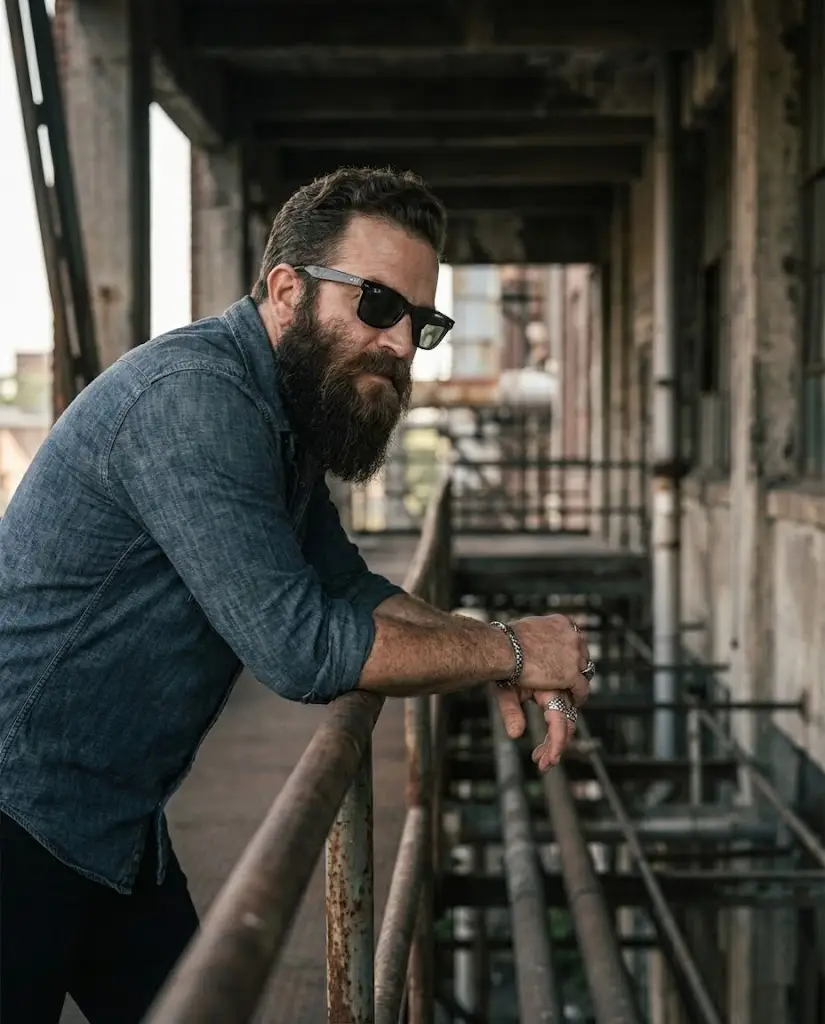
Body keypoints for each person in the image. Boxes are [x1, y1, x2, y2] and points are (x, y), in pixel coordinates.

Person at [0, 166, 592, 1023]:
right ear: (287, 290)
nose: (398, 342)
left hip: (112, 823)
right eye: (378, 305)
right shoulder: (194, 401)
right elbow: (301, 647)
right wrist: (507, 650)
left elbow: (344, 584)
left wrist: (495, 644)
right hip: (19, 818)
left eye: (420, 322)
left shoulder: (281, 409)